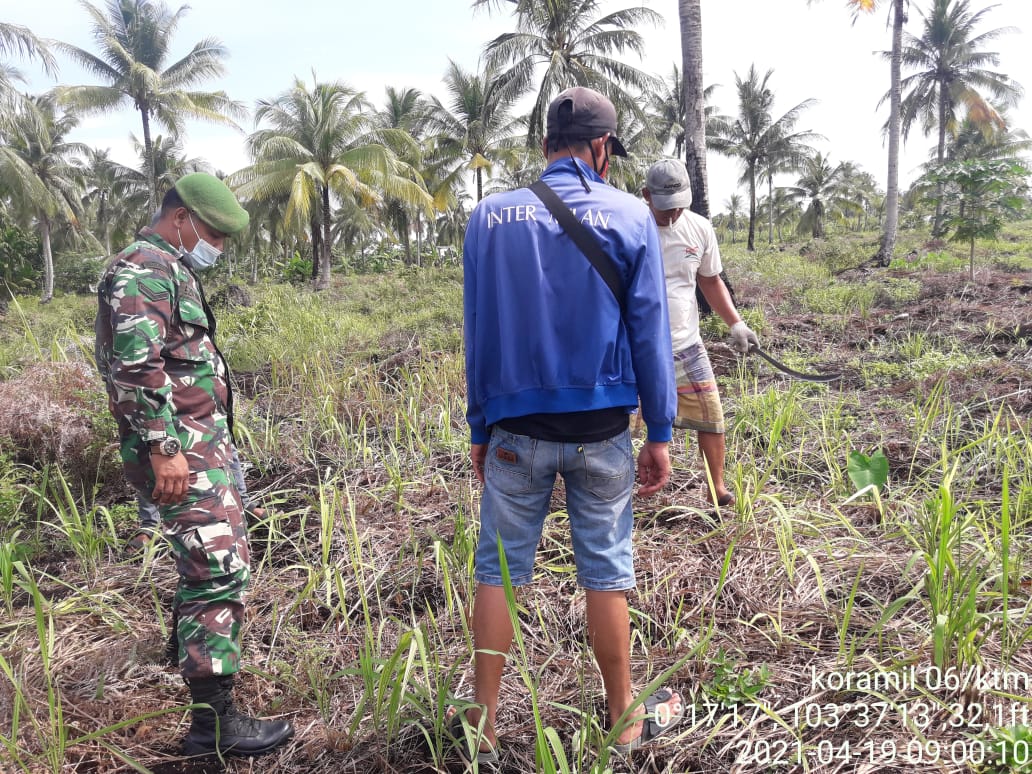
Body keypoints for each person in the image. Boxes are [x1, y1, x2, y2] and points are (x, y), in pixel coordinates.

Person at [458, 86, 684, 764]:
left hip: (516, 430)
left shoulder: (489, 217)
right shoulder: (632, 215)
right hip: (603, 429)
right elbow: (651, 331)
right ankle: (623, 715)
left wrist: (480, 426)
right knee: (606, 569)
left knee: (499, 570)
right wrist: (661, 431)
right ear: (602, 147)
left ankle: (483, 725)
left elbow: (478, 330)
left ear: (545, 145)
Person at [94, 173, 293, 758]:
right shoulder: (143, 270)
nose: (218, 247)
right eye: (214, 234)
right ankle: (214, 728)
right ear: (181, 218)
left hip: (200, 446)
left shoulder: (166, 267)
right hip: (181, 452)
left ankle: (193, 668)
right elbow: (137, 369)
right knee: (217, 570)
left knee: (207, 563)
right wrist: (165, 448)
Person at [642, 159, 759, 508]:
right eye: (666, 207)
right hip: (635, 346)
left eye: (679, 206)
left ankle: (715, 487)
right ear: (646, 195)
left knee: (711, 416)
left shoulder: (699, 228)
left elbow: (709, 280)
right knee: (617, 422)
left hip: (686, 344)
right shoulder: (631, 225)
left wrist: (736, 323)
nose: (673, 214)